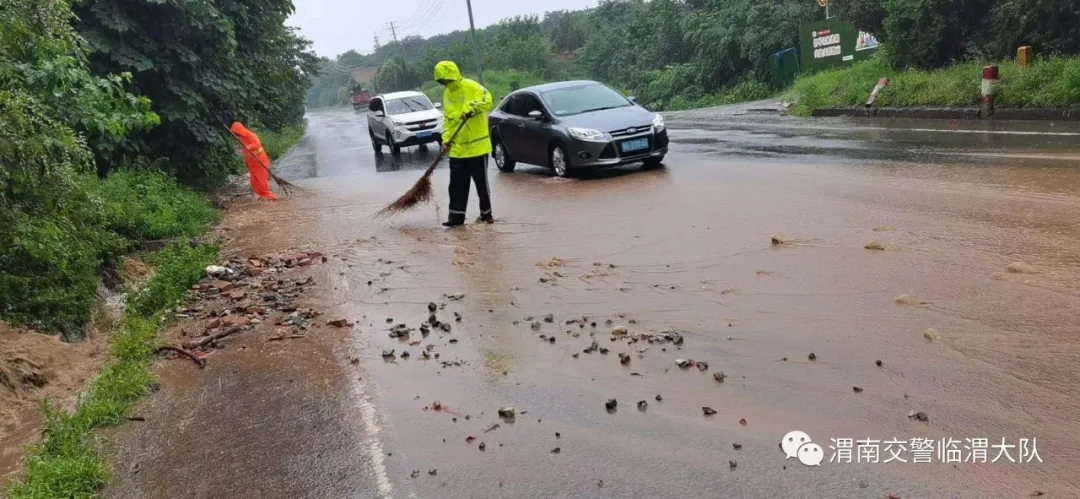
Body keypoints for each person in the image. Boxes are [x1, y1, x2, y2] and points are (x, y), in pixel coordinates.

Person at [434, 60, 495, 227]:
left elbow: (487, 100)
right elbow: (447, 120)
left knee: (481, 185)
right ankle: (456, 218)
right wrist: (445, 140)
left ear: (451, 76)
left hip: (477, 148)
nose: (444, 84)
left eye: (445, 80)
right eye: (441, 82)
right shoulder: (447, 94)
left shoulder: (471, 86)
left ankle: (486, 215)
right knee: (456, 186)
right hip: (457, 149)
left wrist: (471, 109)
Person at [229, 122, 276, 201]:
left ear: (239, 130)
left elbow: (257, 144)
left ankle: (270, 197)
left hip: (260, 162)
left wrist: (249, 147)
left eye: (236, 132)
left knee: (262, 181)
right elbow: (245, 152)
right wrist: (246, 162)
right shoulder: (241, 138)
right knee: (254, 182)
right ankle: (262, 196)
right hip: (252, 164)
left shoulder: (250, 135)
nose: (236, 134)